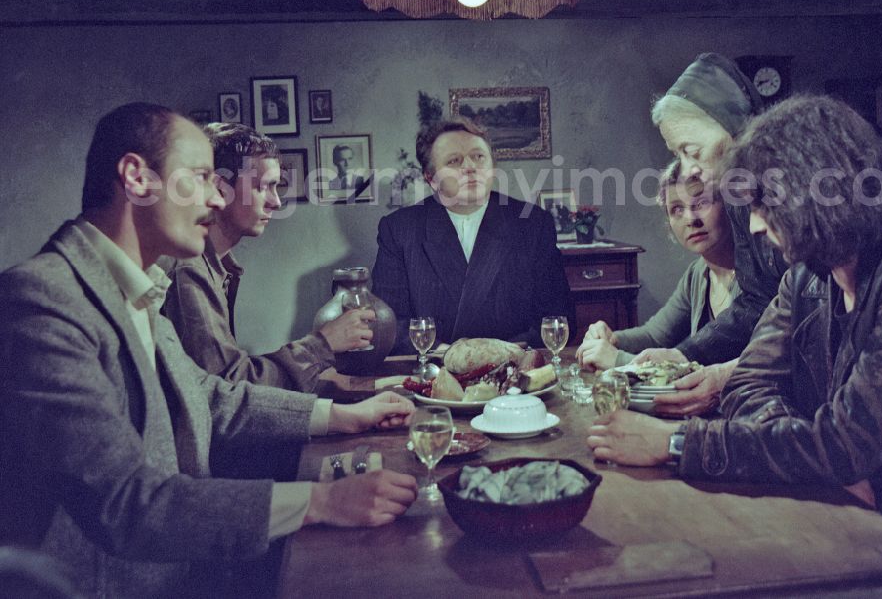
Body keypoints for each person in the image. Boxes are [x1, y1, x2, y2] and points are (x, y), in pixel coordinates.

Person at [587, 96, 882, 597]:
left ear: (809, 192)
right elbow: (749, 382)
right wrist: (821, 465)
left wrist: (676, 443)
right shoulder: (808, 271)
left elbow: (847, 443)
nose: (756, 226)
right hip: (847, 513)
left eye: (763, 206)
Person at [0, 103, 418, 598]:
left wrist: (343, 417)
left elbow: (214, 398)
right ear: (137, 178)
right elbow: (126, 502)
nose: (215, 199)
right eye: (199, 178)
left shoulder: (139, 288)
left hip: (180, 567)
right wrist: (321, 502)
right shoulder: (43, 298)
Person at [161, 123, 373, 391]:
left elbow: (231, 371)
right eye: (263, 187)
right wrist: (322, 344)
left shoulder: (217, 266)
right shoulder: (189, 269)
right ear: (220, 189)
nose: (276, 202)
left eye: (277, 187)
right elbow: (229, 386)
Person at [631, 52, 786, 416]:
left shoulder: (787, 189)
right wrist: (684, 354)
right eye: (677, 154)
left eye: (689, 150)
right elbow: (756, 302)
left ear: (731, 127)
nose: (689, 169)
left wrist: (729, 375)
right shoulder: (734, 194)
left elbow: (810, 321)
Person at [372, 117, 570, 351]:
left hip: (516, 373)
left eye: (478, 156)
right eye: (454, 161)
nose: (470, 167)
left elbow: (558, 319)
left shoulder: (533, 224)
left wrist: (499, 356)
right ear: (431, 178)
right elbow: (389, 326)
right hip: (435, 375)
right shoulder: (399, 231)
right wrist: (448, 354)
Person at [576, 161, 739, 397]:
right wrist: (613, 339)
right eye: (677, 209)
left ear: (728, 206)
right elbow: (655, 335)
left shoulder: (756, 276)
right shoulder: (697, 274)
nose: (690, 219)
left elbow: (719, 371)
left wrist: (619, 360)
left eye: (701, 203)